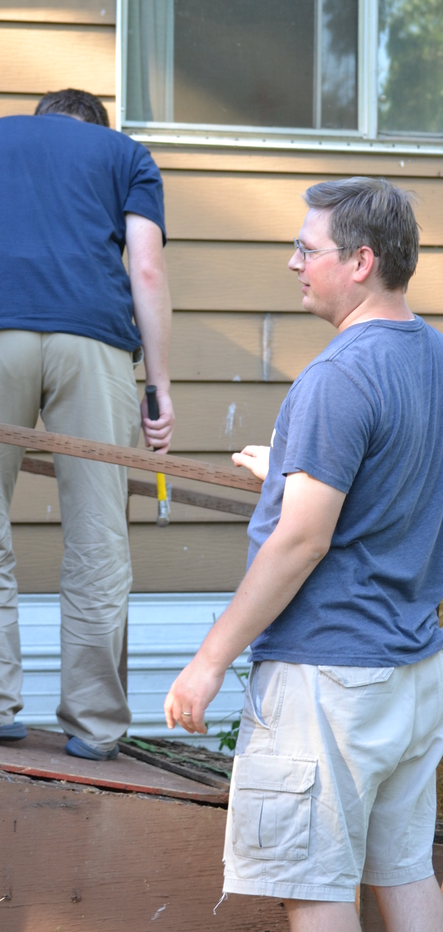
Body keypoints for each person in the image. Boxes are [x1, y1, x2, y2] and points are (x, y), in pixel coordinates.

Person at [164, 178, 443, 932]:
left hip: (330, 681)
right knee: (406, 871)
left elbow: (303, 538)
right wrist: (291, 468)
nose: (293, 262)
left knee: (315, 887)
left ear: (360, 262)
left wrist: (210, 658)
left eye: (305, 248)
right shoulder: (432, 357)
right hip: (412, 671)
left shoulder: (338, 376)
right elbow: (398, 475)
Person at [0, 88, 174, 760]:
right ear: (97, 127)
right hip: (95, 345)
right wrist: (159, 385)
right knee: (98, 535)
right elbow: (145, 267)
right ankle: (94, 727)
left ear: (41, 120)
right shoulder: (128, 154)